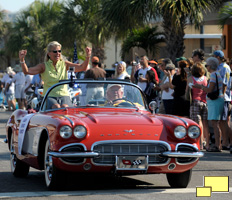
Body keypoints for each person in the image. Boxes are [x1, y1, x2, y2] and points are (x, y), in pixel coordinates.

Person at [19, 41, 92, 109]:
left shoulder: (65, 64)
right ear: (49, 53)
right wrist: (22, 60)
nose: (58, 53)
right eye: (55, 51)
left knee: (65, 106)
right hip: (50, 96)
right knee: (56, 107)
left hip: (64, 95)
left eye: (59, 51)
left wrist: (88, 56)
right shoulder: (43, 66)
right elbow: (27, 71)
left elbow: (82, 67)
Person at [193, 57, 224, 152]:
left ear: (210, 66)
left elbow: (210, 89)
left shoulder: (214, 75)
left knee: (215, 123)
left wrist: (200, 87)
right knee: (215, 123)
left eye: (207, 65)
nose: (206, 67)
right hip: (217, 100)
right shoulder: (217, 74)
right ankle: (218, 145)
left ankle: (217, 145)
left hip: (215, 101)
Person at [187, 63, 209, 150]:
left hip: (195, 101)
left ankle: (199, 143)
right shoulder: (205, 78)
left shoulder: (190, 79)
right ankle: (207, 143)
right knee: (205, 124)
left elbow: (187, 90)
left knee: (197, 123)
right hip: (204, 101)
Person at [213, 50, 232, 152]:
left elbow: (224, 83)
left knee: (224, 121)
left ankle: (226, 142)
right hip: (224, 97)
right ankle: (226, 142)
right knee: (221, 121)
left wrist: (221, 95)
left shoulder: (224, 67)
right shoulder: (222, 67)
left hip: (224, 98)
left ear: (218, 57)